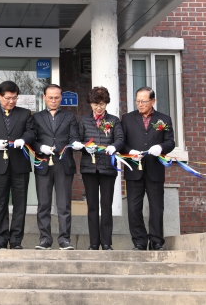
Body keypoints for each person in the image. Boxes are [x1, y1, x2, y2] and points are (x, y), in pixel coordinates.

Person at [0, 80, 35, 249]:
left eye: (14, 98)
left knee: (20, 204)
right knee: (0, 204)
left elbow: (32, 132)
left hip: (20, 165)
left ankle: (16, 240)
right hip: (0, 165)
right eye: (8, 98)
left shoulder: (25, 113)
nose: (11, 101)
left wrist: (23, 140)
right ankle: (1, 239)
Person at [121, 86, 175, 251]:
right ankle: (139, 241)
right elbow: (121, 142)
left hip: (154, 169)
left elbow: (170, 142)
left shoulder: (164, 119)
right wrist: (130, 151)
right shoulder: (127, 118)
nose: (140, 104)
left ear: (153, 101)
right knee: (133, 208)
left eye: (144, 101)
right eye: (138, 101)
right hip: (134, 169)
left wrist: (160, 147)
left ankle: (156, 241)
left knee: (156, 207)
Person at [32, 84, 83, 250]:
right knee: (43, 204)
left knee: (64, 205)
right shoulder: (37, 117)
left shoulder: (69, 116)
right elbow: (32, 139)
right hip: (43, 163)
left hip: (64, 163)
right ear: (44, 97)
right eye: (50, 97)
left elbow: (74, 136)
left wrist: (75, 143)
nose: (53, 100)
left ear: (61, 98)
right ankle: (45, 239)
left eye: (56, 97)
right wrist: (40, 147)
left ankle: (64, 240)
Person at [78, 86, 124, 251]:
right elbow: (77, 140)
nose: (99, 107)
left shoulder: (114, 120)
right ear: (90, 104)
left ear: (106, 104)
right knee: (92, 206)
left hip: (107, 168)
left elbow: (120, 139)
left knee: (106, 205)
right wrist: (84, 146)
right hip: (89, 168)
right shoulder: (84, 121)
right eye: (95, 104)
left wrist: (114, 146)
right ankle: (93, 243)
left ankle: (106, 242)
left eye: (102, 104)